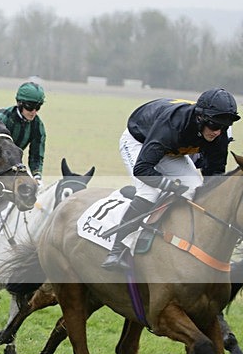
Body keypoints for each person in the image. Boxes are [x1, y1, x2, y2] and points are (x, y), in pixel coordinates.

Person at [101, 87, 241, 270]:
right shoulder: (171, 125)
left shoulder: (220, 134)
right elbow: (142, 169)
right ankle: (116, 250)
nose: (217, 132)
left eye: (224, 127)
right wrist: (170, 185)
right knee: (150, 193)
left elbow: (213, 176)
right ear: (200, 118)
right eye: (214, 125)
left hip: (172, 149)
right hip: (140, 141)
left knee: (195, 189)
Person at [0, 81, 46, 181]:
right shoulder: (3, 119)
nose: (33, 112)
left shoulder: (37, 125)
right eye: (30, 107)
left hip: (13, 164)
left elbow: (36, 156)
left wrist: (37, 176)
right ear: (20, 103)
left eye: (37, 107)